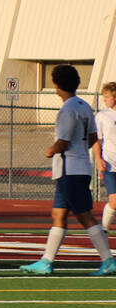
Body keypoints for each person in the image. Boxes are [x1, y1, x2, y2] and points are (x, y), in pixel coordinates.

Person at [20, 65, 116, 276]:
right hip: (77, 168)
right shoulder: (84, 106)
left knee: (84, 216)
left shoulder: (67, 110)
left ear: (57, 85)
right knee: (58, 214)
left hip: (70, 170)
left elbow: (62, 142)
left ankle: (108, 259)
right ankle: (46, 261)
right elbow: (92, 139)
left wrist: (50, 150)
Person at [93, 82, 116, 231]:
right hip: (109, 163)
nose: (105, 99)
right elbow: (97, 139)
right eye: (104, 97)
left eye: (107, 97)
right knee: (114, 202)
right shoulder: (102, 116)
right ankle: (104, 229)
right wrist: (98, 158)